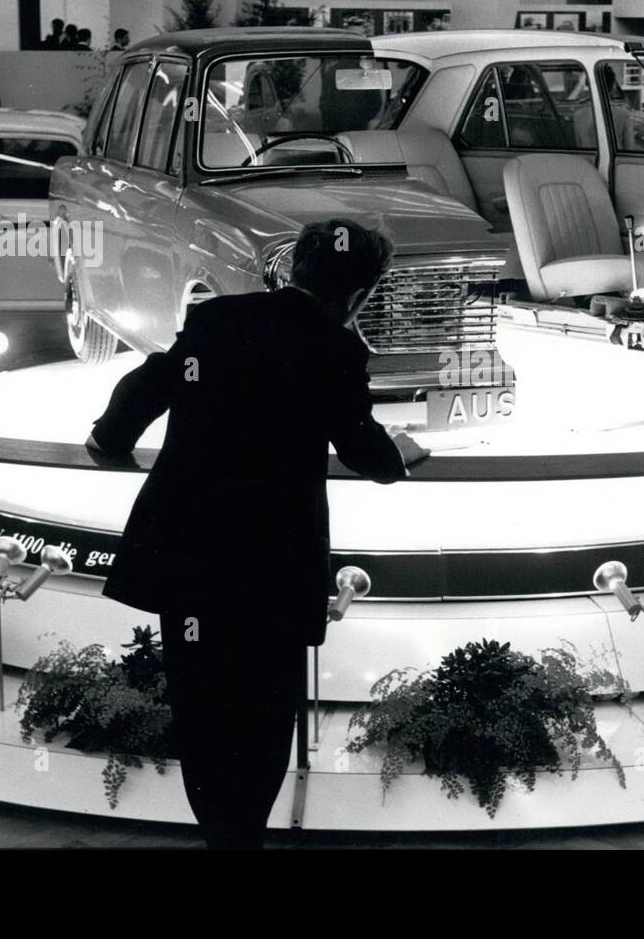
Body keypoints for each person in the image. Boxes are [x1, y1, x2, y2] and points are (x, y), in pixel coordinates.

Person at [85, 219, 428, 849]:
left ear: (293, 268)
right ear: (359, 295)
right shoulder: (336, 349)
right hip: (271, 563)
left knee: (199, 702)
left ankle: (221, 835)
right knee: (265, 713)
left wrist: (108, 440)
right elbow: (363, 451)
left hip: (188, 549)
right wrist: (400, 455)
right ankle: (242, 836)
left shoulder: (217, 319)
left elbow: (148, 383)